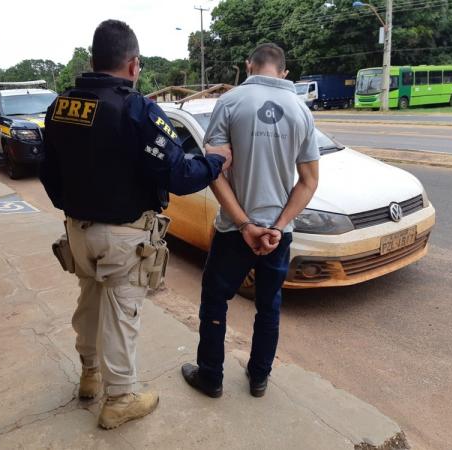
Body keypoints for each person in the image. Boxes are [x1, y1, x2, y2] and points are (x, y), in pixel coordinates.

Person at [39, 19, 231, 429]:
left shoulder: (62, 106)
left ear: (93, 60)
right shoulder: (134, 108)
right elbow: (179, 175)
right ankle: (120, 399)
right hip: (124, 236)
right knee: (121, 315)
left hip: (77, 231)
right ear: (133, 65)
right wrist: (215, 160)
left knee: (89, 303)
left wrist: (73, 208)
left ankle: (90, 376)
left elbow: (48, 173)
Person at [181, 43, 320, 398]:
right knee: (268, 306)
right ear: (284, 72)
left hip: (234, 231)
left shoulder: (229, 103)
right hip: (278, 233)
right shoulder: (301, 111)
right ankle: (259, 377)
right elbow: (308, 182)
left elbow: (215, 173)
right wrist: (276, 226)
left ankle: (211, 377)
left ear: (248, 65)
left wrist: (245, 224)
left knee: (215, 300)